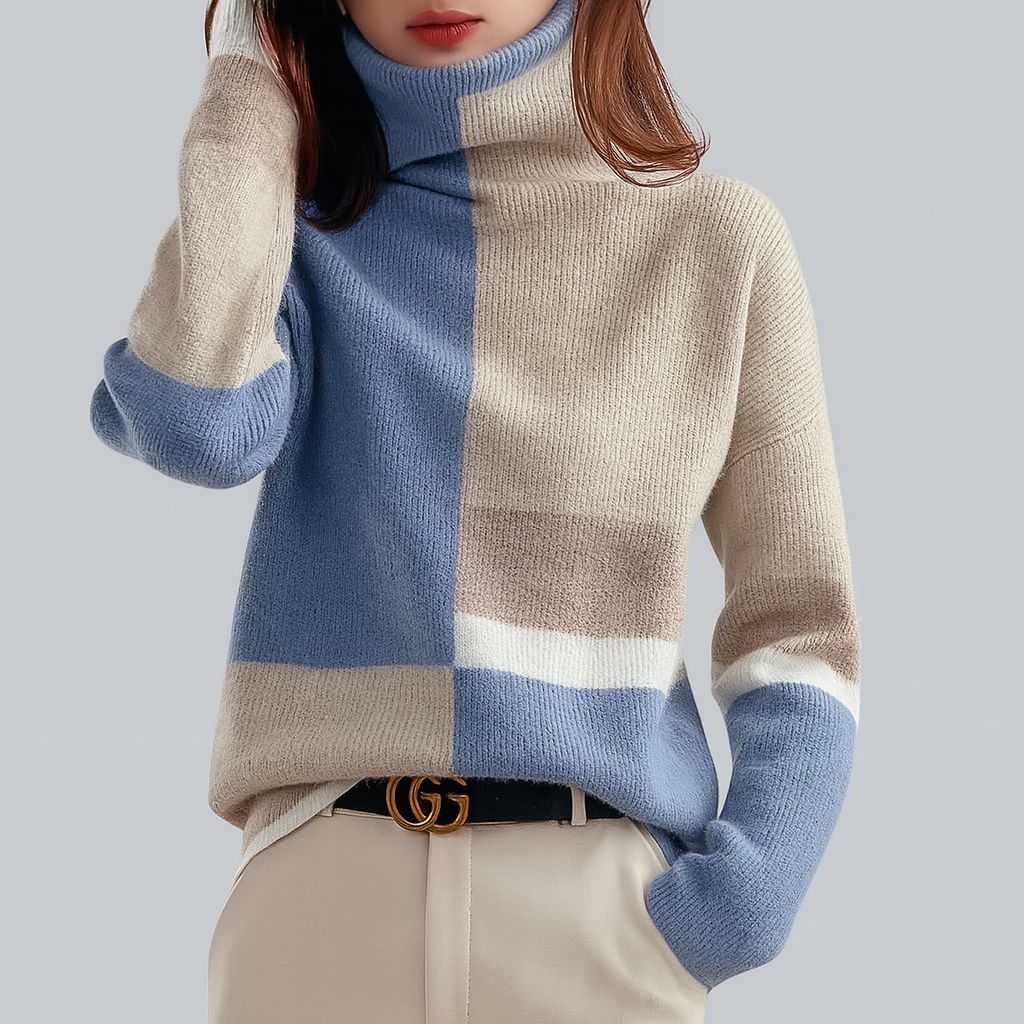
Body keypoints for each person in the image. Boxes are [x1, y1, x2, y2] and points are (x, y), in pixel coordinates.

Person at [90, 0, 860, 1021]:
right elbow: (195, 423)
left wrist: (740, 905)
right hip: (316, 918)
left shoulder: (717, 244)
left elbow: (798, 625)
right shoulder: (299, 244)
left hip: (601, 925)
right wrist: (249, 69)